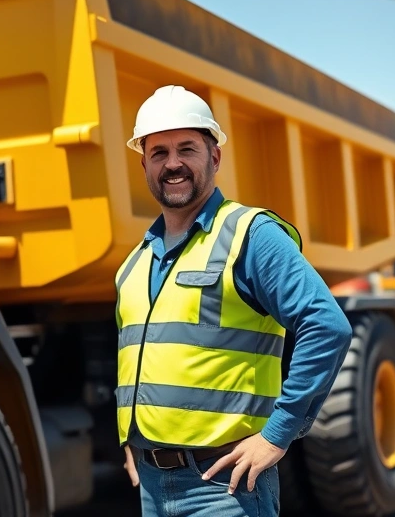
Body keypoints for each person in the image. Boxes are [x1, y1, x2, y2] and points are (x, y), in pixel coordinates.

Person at [115, 85, 353, 516]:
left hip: (223, 487)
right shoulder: (134, 263)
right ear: (144, 163)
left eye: (187, 148)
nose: (173, 164)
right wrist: (132, 439)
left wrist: (276, 436)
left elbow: (327, 326)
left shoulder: (250, 235)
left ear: (215, 157)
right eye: (158, 152)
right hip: (151, 486)